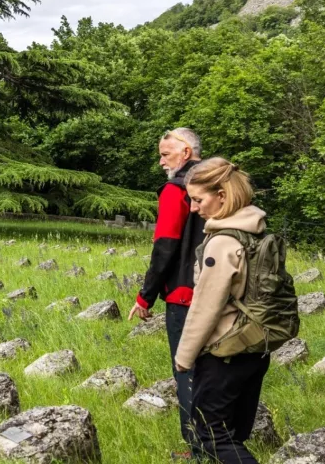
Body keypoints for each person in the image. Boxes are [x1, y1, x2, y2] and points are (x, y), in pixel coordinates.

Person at [174, 158, 270, 463]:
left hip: (224, 352)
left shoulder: (224, 242)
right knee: (234, 433)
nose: (193, 207)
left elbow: (207, 306)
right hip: (255, 348)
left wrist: (183, 356)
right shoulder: (256, 232)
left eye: (198, 199)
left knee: (212, 436)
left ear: (222, 196)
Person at [128, 128, 205, 449]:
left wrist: (144, 297)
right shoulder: (217, 184)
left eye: (165, 154)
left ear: (185, 152)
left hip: (184, 295)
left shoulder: (177, 190)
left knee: (186, 371)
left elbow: (166, 246)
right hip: (218, 290)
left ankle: (198, 447)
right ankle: (220, 440)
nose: (161, 161)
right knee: (212, 372)